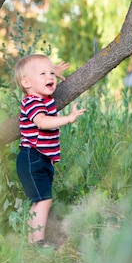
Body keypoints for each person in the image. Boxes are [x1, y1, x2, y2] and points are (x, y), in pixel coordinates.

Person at [15, 53, 85, 247]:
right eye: (43, 74)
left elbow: (46, 83)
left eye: (51, 73)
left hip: (40, 159)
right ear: (26, 82)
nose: (50, 78)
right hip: (32, 158)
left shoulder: (43, 98)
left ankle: (31, 242)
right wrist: (68, 119)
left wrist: (53, 74)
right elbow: (43, 122)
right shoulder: (32, 102)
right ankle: (38, 242)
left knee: (39, 202)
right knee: (44, 200)